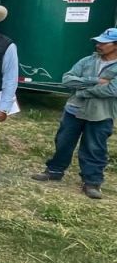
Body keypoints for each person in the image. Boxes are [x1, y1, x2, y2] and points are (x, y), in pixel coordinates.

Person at [31, 28, 117, 199]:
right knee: (63, 141)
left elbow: (113, 89)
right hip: (73, 110)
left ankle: (92, 182)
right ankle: (54, 171)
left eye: (103, 43)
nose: (98, 45)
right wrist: (95, 81)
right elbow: (67, 79)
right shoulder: (86, 61)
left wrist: (83, 92)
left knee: (95, 147)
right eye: (98, 42)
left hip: (100, 114)